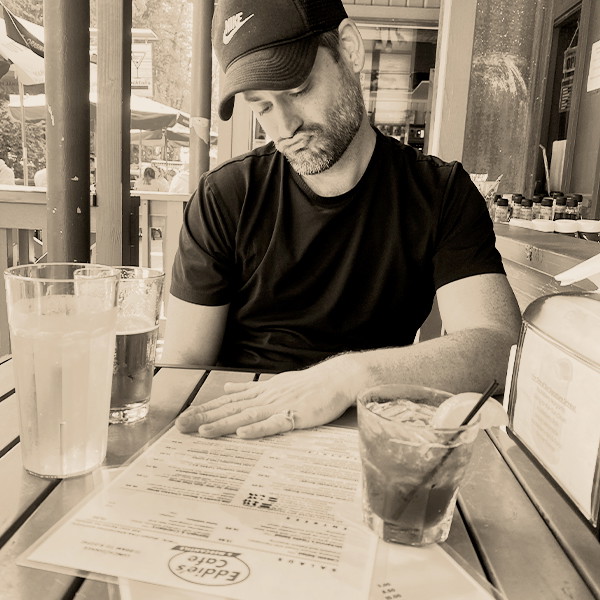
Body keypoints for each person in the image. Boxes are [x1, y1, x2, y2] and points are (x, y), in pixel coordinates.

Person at [164, 0, 522, 440]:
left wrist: (350, 375)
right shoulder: (224, 195)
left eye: (297, 90)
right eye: (262, 107)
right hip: (241, 426)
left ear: (349, 49)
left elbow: (499, 344)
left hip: (367, 431)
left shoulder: (439, 193)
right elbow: (184, 364)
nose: (284, 127)